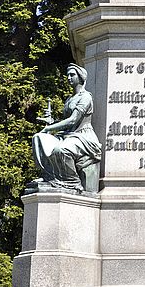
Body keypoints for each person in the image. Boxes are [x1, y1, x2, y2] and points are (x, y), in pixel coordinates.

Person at [31, 64, 101, 192]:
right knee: (38, 138)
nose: (69, 77)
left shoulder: (86, 97)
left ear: (80, 77)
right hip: (67, 134)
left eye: (72, 75)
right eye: (68, 75)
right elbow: (66, 121)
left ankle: (72, 182)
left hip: (82, 136)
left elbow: (73, 120)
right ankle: (50, 176)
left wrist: (49, 128)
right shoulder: (70, 99)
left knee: (61, 150)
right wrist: (52, 122)